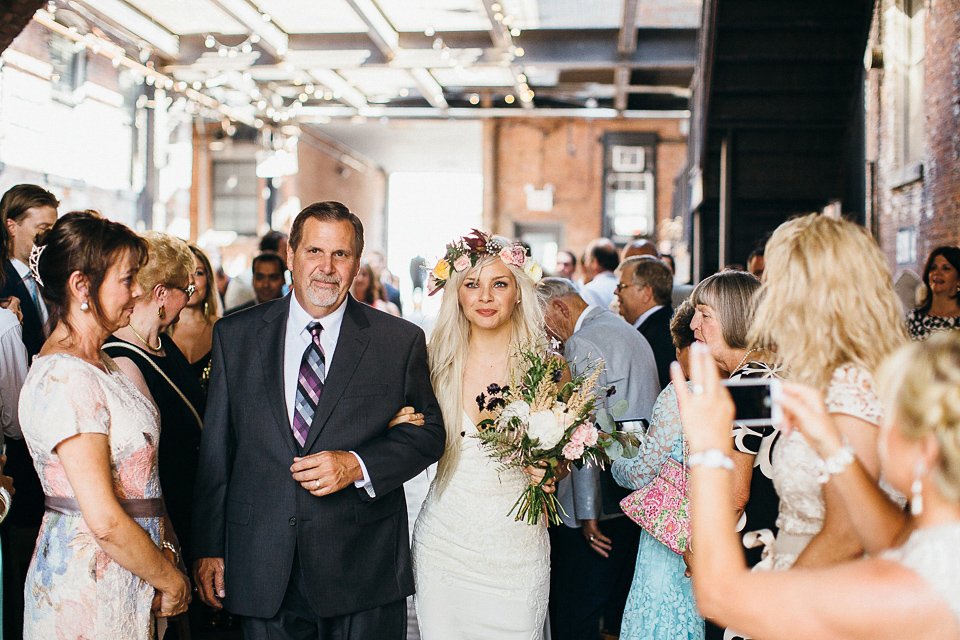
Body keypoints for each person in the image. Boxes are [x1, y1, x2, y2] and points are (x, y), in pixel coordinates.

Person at [192, 201, 445, 640]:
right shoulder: (235, 336)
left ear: (357, 264)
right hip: (262, 564)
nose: (326, 268)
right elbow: (217, 451)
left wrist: (357, 464)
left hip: (362, 567)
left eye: (340, 255)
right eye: (314, 252)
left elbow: (430, 434)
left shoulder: (397, 341)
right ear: (291, 256)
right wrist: (210, 549)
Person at [675, 333, 960, 640]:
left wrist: (709, 450)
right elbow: (889, 538)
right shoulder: (938, 546)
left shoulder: (909, 588)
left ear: (925, 450)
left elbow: (720, 595)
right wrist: (832, 445)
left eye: (888, 417)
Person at [19, 211, 191, 638]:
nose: (137, 291)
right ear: (81, 286)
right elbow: (104, 520)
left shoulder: (104, 362)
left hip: (135, 570)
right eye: (127, 279)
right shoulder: (65, 376)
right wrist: (171, 581)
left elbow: (142, 481)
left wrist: (167, 553)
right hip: (89, 585)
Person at [412, 231, 557, 639]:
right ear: (457, 294)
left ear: (518, 292)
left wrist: (551, 468)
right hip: (444, 549)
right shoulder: (432, 362)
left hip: (518, 554)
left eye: (499, 284)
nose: (485, 297)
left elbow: (561, 460)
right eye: (472, 285)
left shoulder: (546, 368)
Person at [748, 214, 907, 571]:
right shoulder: (829, 373)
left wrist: (773, 611)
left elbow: (848, 533)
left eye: (776, 283)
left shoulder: (851, 382)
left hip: (830, 582)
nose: (769, 297)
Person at [537, 277, 660, 640]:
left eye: (544, 322)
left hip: (599, 502)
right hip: (636, 487)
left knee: (577, 613)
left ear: (561, 307)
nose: (547, 335)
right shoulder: (624, 329)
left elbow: (585, 431)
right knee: (613, 608)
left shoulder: (582, 342)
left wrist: (587, 515)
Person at [102, 231, 204, 630]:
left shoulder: (164, 344)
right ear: (162, 292)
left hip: (190, 505)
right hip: (160, 515)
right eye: (188, 289)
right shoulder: (121, 358)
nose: (191, 298)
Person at [688, 271, 780, 640]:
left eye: (705, 315)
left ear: (736, 317)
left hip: (750, 544)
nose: (694, 324)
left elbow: (736, 493)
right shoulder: (778, 367)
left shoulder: (747, 382)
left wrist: (699, 548)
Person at [612, 299, 704, 640]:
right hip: (713, 526)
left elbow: (642, 471)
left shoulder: (677, 395)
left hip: (673, 529)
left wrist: (615, 461)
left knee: (659, 616)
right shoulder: (730, 388)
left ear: (681, 346)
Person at [0, 183, 58, 638]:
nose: (48, 239)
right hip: (17, 436)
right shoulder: (3, 285)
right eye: (42, 230)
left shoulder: (46, 280)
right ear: (11, 225)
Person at [616, 256, 675, 389]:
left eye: (621, 286)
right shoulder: (664, 326)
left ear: (646, 293)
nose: (616, 292)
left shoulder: (657, 336)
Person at [169, 245, 222, 391]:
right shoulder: (158, 331)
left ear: (208, 280)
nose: (191, 280)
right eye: (183, 273)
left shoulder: (223, 329)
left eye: (198, 273)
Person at [907, 246, 960, 341]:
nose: (937, 273)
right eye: (933, 268)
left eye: (946, 268)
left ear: (958, 280)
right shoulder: (913, 319)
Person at [580, 238, 619, 309]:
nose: (586, 264)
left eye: (587, 259)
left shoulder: (589, 290)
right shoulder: (624, 286)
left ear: (595, 262)